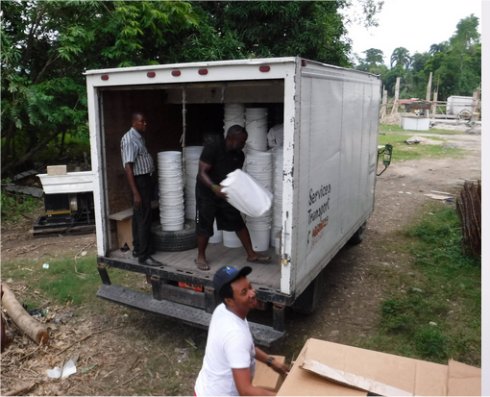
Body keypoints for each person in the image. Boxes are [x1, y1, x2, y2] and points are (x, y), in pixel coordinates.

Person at [195, 265, 289, 396]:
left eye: (250, 287)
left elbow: (246, 348)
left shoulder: (224, 310)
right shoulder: (236, 336)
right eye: (244, 292)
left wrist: (270, 361)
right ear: (230, 301)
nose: (252, 293)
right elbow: (245, 391)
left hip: (206, 387)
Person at [195, 124, 271, 271]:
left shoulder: (239, 155)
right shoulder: (213, 147)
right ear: (231, 138)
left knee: (237, 220)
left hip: (224, 192)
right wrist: (214, 187)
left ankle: (251, 254)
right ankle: (200, 256)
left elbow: (236, 178)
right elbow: (201, 173)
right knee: (204, 223)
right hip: (206, 191)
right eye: (242, 142)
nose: (243, 145)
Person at [120, 112, 161, 266]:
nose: (145, 124)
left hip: (144, 181)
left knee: (139, 217)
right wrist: (136, 193)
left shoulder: (138, 137)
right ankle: (144, 256)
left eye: (145, 121)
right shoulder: (129, 139)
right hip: (139, 182)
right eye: (142, 121)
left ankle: (138, 248)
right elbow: (128, 168)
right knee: (144, 218)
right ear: (134, 122)